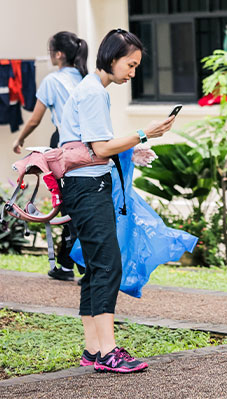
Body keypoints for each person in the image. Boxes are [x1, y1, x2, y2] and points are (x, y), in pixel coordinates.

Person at [58, 28, 175, 373]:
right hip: (88, 189)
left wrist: (132, 149)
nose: (133, 72)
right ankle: (108, 352)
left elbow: (94, 146)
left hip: (84, 187)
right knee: (108, 265)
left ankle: (94, 350)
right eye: (130, 64)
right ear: (112, 58)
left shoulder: (93, 90)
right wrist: (144, 132)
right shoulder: (94, 92)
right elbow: (100, 148)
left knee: (96, 267)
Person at [12, 31, 88, 282]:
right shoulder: (87, 79)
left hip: (65, 145)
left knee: (68, 204)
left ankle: (74, 264)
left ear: (58, 54)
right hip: (92, 144)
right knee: (85, 202)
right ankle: (74, 263)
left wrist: (20, 139)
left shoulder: (53, 80)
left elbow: (35, 118)